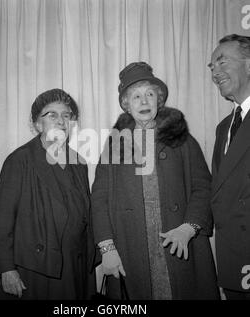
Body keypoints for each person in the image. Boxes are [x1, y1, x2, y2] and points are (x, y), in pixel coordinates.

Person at [91, 62, 219, 299]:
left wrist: (189, 228)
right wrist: (106, 248)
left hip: (179, 243)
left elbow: (203, 187)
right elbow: (98, 199)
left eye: (150, 94)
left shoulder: (182, 139)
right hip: (130, 246)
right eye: (136, 96)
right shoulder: (114, 144)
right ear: (126, 105)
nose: (143, 101)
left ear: (159, 101)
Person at [0, 89, 96, 299]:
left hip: (74, 267)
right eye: (52, 115)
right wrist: (6, 269)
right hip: (35, 269)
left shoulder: (79, 162)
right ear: (37, 124)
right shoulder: (19, 160)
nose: (61, 121)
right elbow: (1, 221)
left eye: (66, 115)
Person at [209, 34, 250, 300]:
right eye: (212, 67)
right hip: (233, 259)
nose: (215, 72)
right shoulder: (224, 127)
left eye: (222, 62)